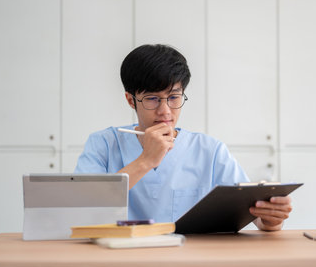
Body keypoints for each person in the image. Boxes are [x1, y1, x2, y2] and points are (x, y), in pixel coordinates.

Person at [75, 44, 292, 231]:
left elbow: (256, 218)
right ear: (131, 101)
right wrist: (146, 161)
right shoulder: (103, 144)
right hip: (122, 258)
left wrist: (271, 219)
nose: (165, 111)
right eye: (152, 99)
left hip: (189, 261)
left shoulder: (209, 150)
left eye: (173, 97)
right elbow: (83, 206)